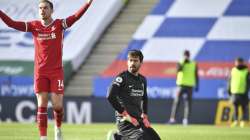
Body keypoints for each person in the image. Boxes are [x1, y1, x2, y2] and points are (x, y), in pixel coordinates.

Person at [0, 0, 93, 140]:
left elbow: (75, 17)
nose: (42, 10)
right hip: (40, 72)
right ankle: (43, 137)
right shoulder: (33, 26)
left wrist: (87, 3)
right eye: (40, 8)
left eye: (45, 8)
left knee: (57, 105)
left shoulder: (59, 25)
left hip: (56, 71)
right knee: (41, 104)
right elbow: (11, 23)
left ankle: (58, 127)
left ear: (52, 10)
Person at [107, 50, 161, 140]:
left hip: (138, 120)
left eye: (135, 61)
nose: (132, 63)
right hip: (125, 121)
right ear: (127, 62)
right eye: (130, 60)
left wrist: (145, 116)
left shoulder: (143, 80)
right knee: (141, 138)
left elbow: (145, 98)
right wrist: (124, 114)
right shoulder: (122, 78)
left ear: (141, 62)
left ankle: (118, 138)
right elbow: (110, 95)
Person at [168, 50, 199, 125]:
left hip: (190, 86)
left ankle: (185, 120)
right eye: (185, 55)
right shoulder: (180, 62)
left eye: (187, 55)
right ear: (183, 55)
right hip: (181, 85)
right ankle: (172, 119)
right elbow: (178, 70)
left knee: (188, 103)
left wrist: (197, 85)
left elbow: (196, 75)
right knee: (177, 102)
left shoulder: (194, 63)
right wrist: (183, 63)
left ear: (189, 56)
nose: (186, 56)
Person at [228, 57, 249, 128]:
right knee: (235, 107)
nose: (237, 63)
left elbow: (248, 82)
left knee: (244, 108)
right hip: (234, 92)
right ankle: (236, 121)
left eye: (239, 62)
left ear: (242, 62)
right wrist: (229, 90)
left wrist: (247, 90)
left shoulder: (246, 71)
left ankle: (243, 121)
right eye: (236, 62)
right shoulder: (233, 70)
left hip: (243, 92)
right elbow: (230, 81)